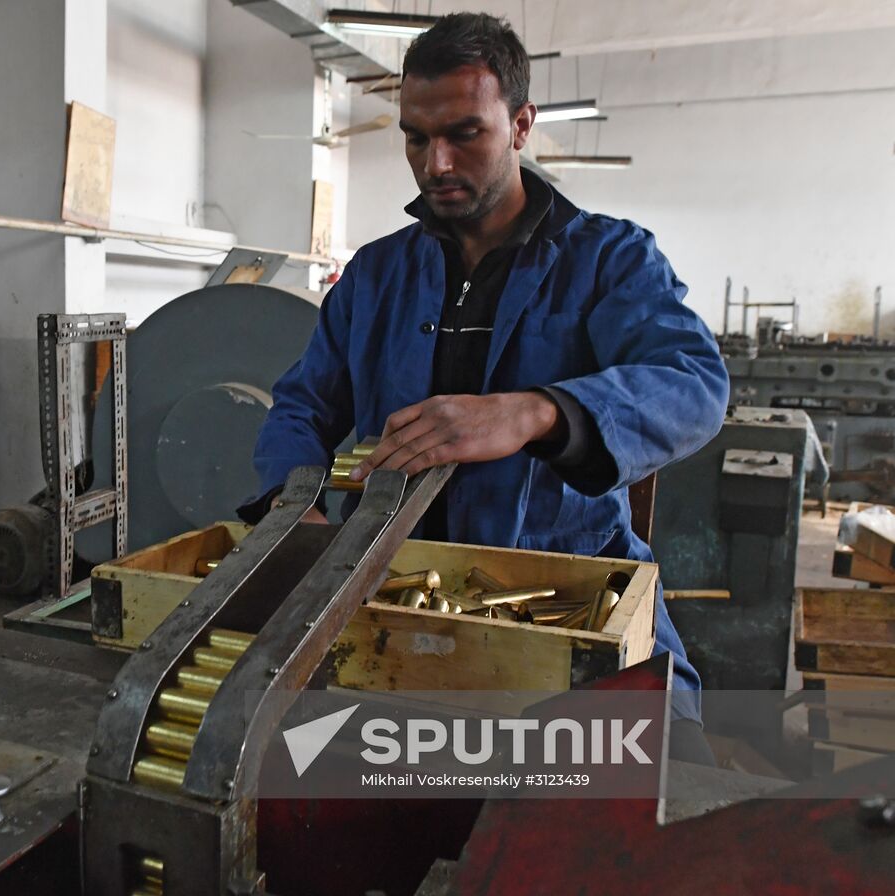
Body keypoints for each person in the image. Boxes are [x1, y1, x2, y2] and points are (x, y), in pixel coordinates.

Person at [239, 13, 728, 764]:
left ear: (522, 124)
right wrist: (294, 509)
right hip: (393, 589)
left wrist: (538, 411)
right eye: (414, 137)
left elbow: (694, 383)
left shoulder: (609, 260)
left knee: (653, 794)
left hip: (566, 590)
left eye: (465, 133)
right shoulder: (375, 276)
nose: (435, 162)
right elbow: (304, 405)